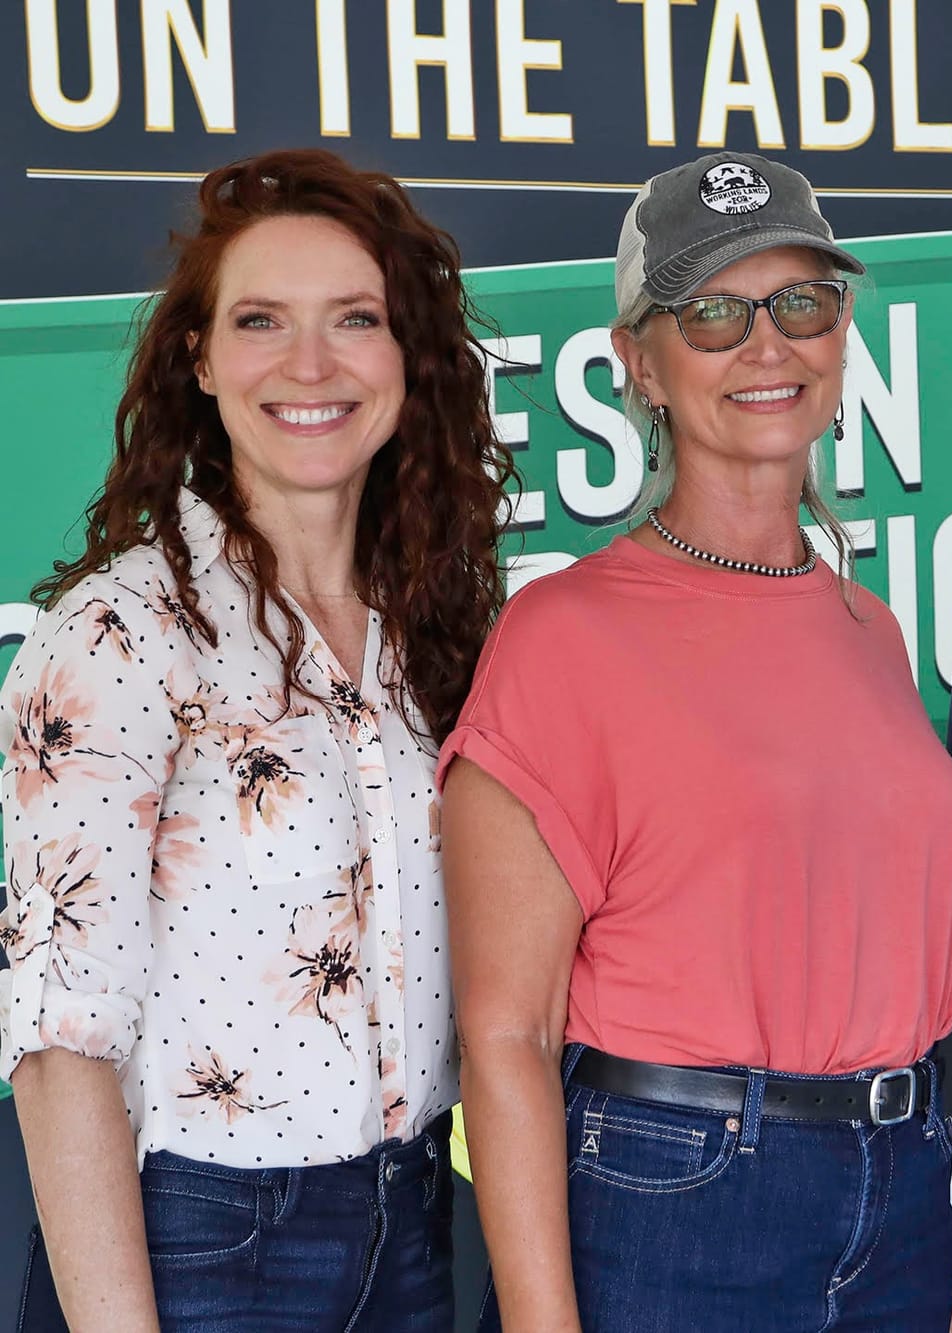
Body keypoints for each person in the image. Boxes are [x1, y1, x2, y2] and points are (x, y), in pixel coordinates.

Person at [439, 150, 952, 1333]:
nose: (765, 344)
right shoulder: (560, 636)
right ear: (640, 363)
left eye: (800, 302)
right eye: (712, 312)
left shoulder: (867, 629)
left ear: (840, 332)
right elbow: (506, 1035)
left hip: (899, 1197)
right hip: (676, 1196)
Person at [0, 149, 514, 1330]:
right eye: (261, 320)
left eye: (355, 320)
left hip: (416, 1217)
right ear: (201, 358)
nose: (311, 364)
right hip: (201, 1244)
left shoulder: (430, 636)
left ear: (406, 359)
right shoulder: (122, 635)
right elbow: (60, 1040)